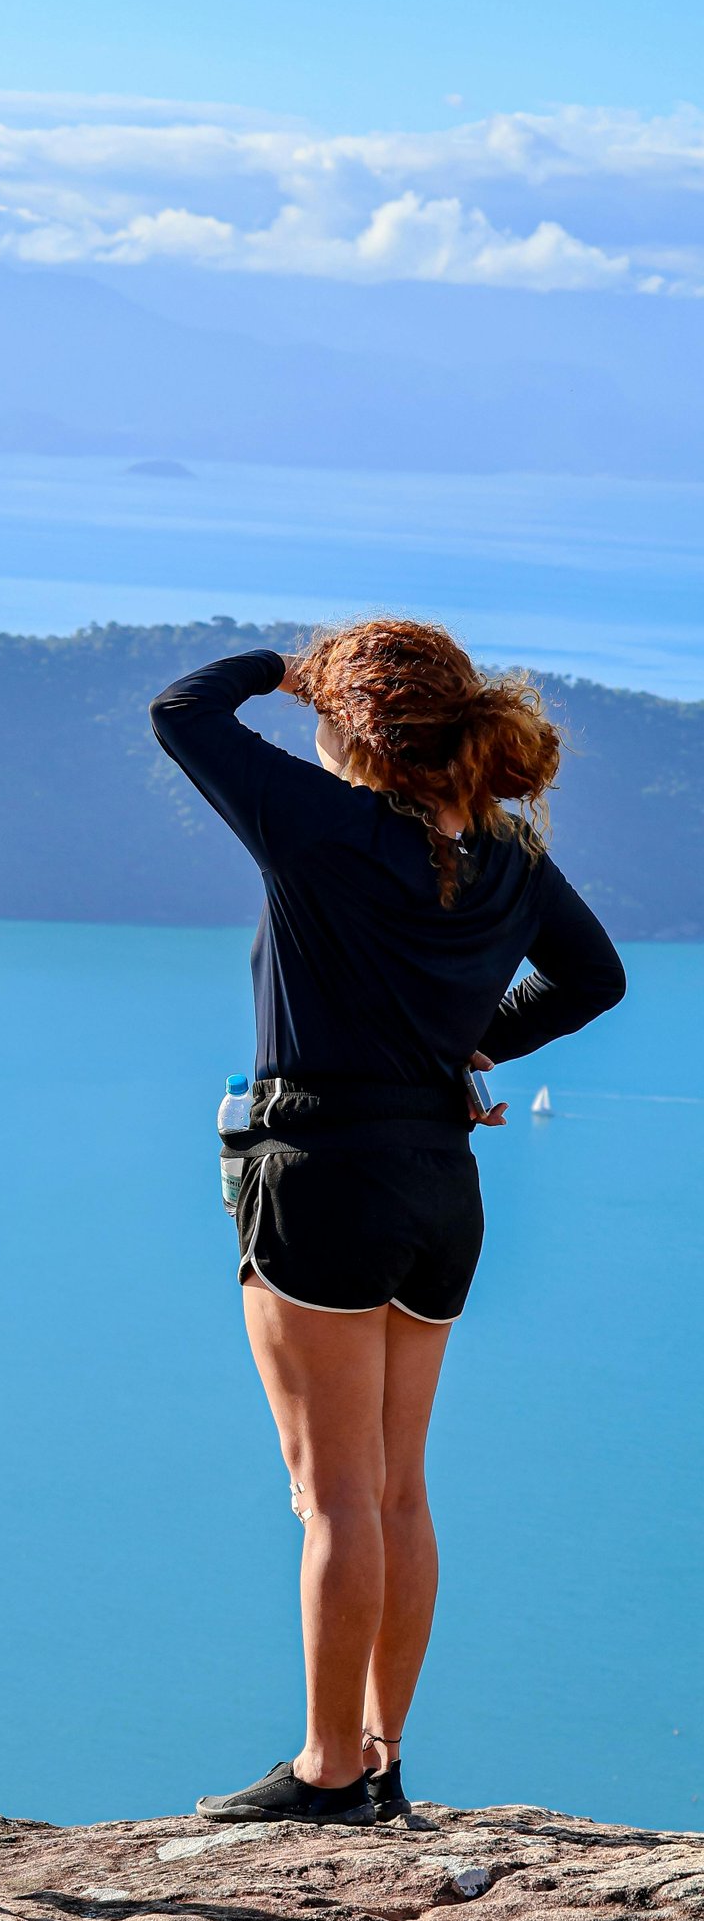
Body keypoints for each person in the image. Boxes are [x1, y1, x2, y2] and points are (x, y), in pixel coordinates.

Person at [150, 619, 625, 1827]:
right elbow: (594, 979)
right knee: (399, 1487)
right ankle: (383, 1754)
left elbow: (181, 713)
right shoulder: (508, 857)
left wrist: (279, 664)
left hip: (317, 1172)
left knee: (332, 1495)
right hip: (438, 1185)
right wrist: (476, 1041)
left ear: (353, 726)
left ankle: (323, 1768)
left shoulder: (321, 822)